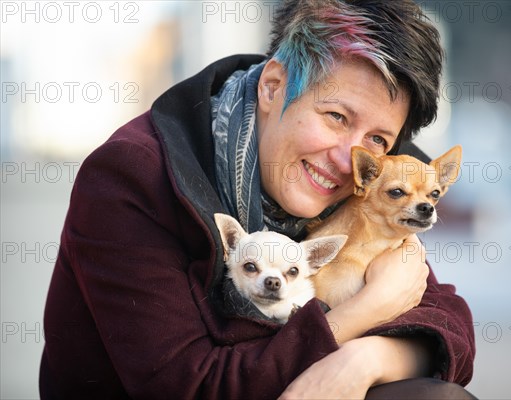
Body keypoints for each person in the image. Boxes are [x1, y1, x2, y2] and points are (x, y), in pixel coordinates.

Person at [39, 0, 477, 398]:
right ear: (272, 87)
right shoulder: (132, 177)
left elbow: (452, 328)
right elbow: (186, 385)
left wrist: (366, 361)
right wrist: (357, 318)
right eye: (336, 117)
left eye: (378, 138)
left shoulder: (379, 177)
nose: (349, 161)